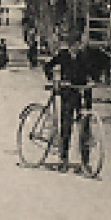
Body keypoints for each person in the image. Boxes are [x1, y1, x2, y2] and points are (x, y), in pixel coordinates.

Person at [41, 29, 99, 172]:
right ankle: (63, 159)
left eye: (77, 45)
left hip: (82, 93)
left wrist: (93, 81)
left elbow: (93, 72)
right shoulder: (63, 55)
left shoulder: (84, 57)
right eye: (73, 45)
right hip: (68, 94)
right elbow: (48, 66)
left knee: (85, 126)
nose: (75, 48)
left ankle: (85, 162)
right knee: (66, 125)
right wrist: (55, 81)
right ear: (70, 45)